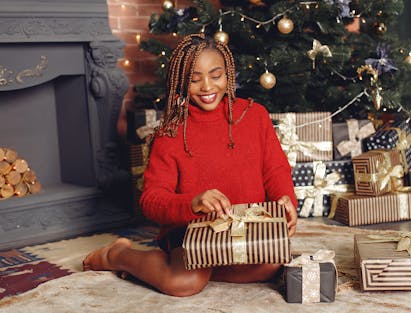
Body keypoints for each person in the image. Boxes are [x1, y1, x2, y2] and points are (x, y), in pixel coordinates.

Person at [83, 33, 298, 297]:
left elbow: (276, 170)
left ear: (228, 74)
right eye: (194, 80)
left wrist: (285, 200)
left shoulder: (254, 115)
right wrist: (192, 203)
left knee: (272, 265)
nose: (207, 87)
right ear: (180, 83)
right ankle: (119, 255)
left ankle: (196, 266)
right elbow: (150, 199)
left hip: (245, 227)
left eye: (215, 75)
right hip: (190, 232)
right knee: (184, 284)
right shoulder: (170, 133)